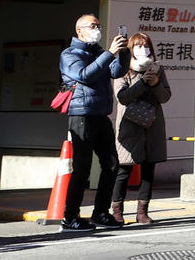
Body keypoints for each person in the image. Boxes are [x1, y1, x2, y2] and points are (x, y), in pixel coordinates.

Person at [58, 14, 129, 232]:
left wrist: (123, 52)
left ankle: (100, 212)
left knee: (111, 164)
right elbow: (84, 75)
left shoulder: (97, 51)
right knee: (82, 169)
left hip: (101, 115)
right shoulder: (69, 54)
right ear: (80, 30)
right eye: (93, 25)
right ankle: (70, 217)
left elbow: (117, 71)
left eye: (99, 25)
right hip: (81, 115)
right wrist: (109, 53)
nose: (97, 29)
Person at [112, 32, 171, 225]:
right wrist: (142, 82)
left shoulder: (157, 69)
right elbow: (122, 97)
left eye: (146, 45)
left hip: (152, 125)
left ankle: (142, 211)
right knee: (124, 170)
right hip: (130, 126)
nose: (143, 49)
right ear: (131, 49)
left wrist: (155, 83)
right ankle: (117, 211)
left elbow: (165, 97)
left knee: (148, 169)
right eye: (138, 46)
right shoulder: (122, 68)